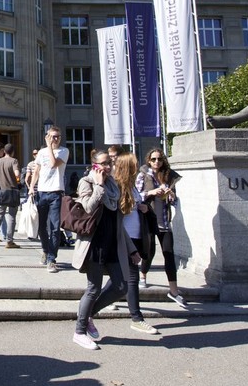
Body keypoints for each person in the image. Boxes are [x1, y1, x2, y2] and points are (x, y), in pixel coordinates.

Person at [72, 149, 141, 350]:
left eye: (109, 163)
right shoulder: (87, 182)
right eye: (103, 163)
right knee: (93, 288)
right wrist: (99, 185)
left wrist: (132, 249)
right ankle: (79, 331)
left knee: (121, 285)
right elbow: (88, 207)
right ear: (94, 165)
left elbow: (118, 222)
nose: (107, 167)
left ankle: (88, 314)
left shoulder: (114, 185)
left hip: (112, 243)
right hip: (94, 244)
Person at [114, 152, 159, 335]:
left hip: (138, 236)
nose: (138, 167)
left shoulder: (132, 187)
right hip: (126, 239)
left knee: (118, 281)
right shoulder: (119, 188)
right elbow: (118, 216)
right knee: (132, 278)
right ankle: (137, 318)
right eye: (135, 165)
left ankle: (89, 309)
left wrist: (144, 207)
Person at [137, 148, 187, 307]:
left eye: (159, 159)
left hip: (164, 221)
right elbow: (137, 196)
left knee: (169, 254)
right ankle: (143, 274)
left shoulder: (169, 176)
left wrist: (171, 195)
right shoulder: (143, 175)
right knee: (149, 251)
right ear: (149, 161)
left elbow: (175, 201)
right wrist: (152, 191)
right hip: (149, 219)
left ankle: (174, 291)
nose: (156, 162)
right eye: (153, 159)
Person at [28, 126, 71, 272]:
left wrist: (49, 148)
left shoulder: (64, 151)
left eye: (58, 136)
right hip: (42, 192)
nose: (56, 139)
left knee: (54, 226)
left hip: (56, 192)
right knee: (41, 226)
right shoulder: (41, 153)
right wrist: (31, 187)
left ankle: (52, 259)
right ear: (47, 136)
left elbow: (53, 164)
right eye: (53, 136)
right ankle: (45, 251)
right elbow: (37, 171)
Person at [0, 143, 21, 248]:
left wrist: (0, 180)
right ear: (13, 152)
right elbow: (17, 174)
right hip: (13, 191)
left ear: (4, 151)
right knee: (11, 216)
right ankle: (9, 241)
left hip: (2, 191)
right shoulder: (14, 161)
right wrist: (17, 180)